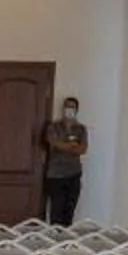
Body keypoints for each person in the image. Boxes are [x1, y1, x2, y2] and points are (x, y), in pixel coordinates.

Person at [40, 97, 89, 227]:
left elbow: (83, 149)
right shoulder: (54, 127)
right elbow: (54, 143)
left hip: (74, 175)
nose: (69, 109)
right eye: (67, 106)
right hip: (56, 176)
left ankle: (66, 238)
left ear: (76, 110)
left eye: (72, 107)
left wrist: (63, 146)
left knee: (69, 212)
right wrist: (72, 145)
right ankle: (55, 238)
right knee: (56, 212)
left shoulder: (81, 129)